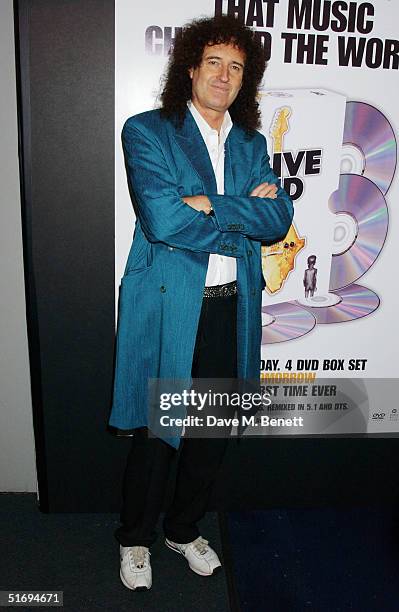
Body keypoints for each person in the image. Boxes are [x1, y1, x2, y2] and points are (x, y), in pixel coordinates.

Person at [108, 15, 294, 591]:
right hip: (170, 306)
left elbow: (279, 219)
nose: (224, 74)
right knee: (160, 432)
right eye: (213, 61)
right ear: (190, 68)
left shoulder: (252, 143)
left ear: (246, 80)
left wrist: (209, 203)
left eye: (236, 66)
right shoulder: (147, 130)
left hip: (230, 307)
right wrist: (239, 207)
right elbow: (163, 219)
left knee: (209, 433)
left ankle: (183, 528)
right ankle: (135, 540)